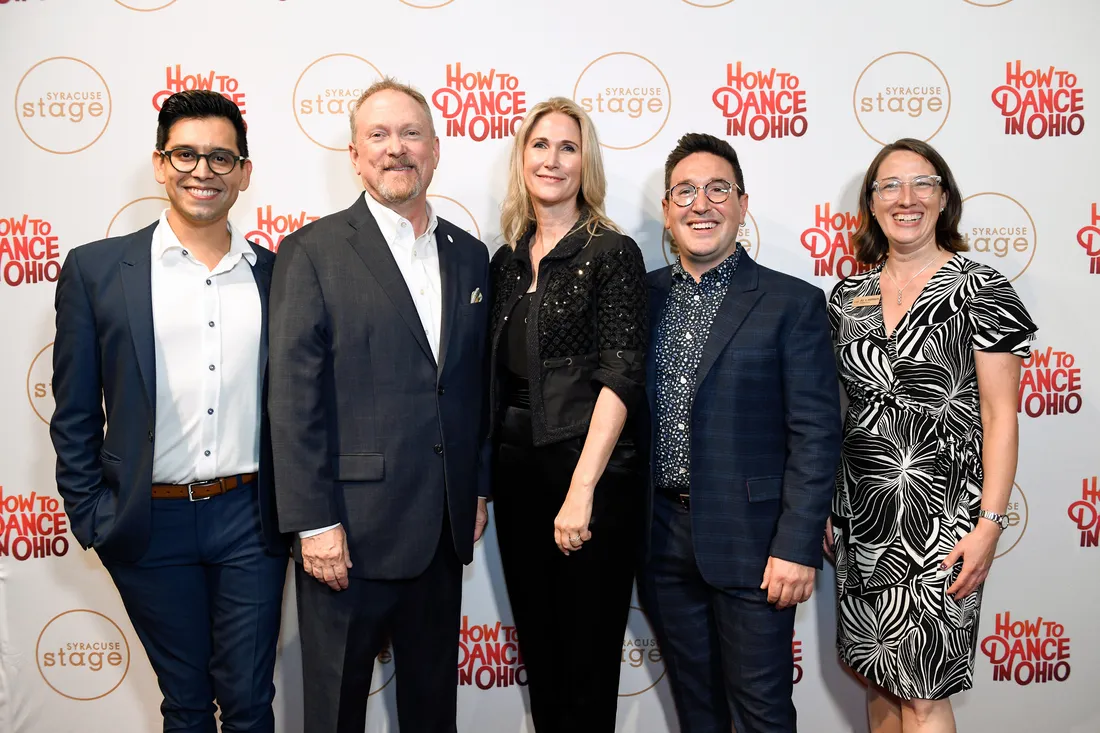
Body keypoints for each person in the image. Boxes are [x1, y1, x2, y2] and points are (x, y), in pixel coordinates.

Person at [50, 90, 287, 732]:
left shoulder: (280, 273)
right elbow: (72, 414)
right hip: (147, 522)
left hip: (250, 519)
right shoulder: (97, 271)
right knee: (185, 703)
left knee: (248, 702)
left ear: (244, 171)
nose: (202, 171)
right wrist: (94, 515)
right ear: (160, 163)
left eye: (220, 157)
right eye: (185, 154)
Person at [267, 78, 490, 733]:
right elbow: (292, 399)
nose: (398, 149)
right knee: (336, 712)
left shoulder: (471, 256)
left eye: (411, 133)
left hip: (441, 533)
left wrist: (475, 486)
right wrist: (313, 524)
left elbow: (473, 385)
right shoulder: (312, 251)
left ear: (436, 149)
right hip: (347, 536)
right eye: (380, 136)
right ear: (356, 156)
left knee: (432, 715)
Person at [825, 138, 1036, 733]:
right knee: (879, 684)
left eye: (923, 183)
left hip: (943, 522)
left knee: (923, 696)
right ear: (871, 204)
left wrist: (990, 524)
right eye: (889, 185)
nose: (906, 198)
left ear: (944, 198)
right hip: (861, 518)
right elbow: (840, 412)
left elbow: (1001, 417)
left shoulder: (981, 288)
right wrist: (826, 505)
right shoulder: (847, 298)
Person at [639, 132, 842, 733]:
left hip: (756, 545)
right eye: (685, 192)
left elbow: (815, 431)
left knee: (762, 715)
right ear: (667, 213)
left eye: (717, 189)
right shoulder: (640, 297)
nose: (701, 204)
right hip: (659, 541)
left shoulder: (792, 303)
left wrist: (796, 544)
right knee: (697, 712)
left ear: (743, 204)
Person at [488, 97, 648, 732]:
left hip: (589, 471)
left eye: (567, 147)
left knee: (586, 659)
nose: (551, 159)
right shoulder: (506, 259)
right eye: (539, 145)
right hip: (515, 470)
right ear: (521, 158)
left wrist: (581, 489)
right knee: (542, 650)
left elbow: (621, 375)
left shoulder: (611, 252)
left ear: (587, 164)